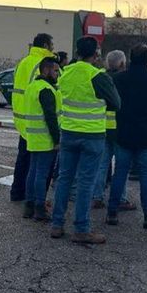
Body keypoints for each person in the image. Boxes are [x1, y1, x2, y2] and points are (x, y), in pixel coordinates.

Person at [50, 37, 120, 243]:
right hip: (92, 135)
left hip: (69, 132)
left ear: (77, 51)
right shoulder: (98, 76)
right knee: (86, 182)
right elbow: (116, 103)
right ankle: (81, 228)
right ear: (96, 54)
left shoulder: (65, 73)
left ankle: (57, 224)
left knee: (64, 179)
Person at [107, 44, 147, 228]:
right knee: (146, 175)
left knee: (120, 174)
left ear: (129, 58)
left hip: (124, 132)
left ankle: (112, 213)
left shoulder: (118, 79)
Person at [9, 34, 56, 205]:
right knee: (40, 165)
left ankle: (17, 192)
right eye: (51, 44)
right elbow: (45, 89)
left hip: (23, 117)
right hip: (38, 118)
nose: (53, 48)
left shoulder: (23, 62)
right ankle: (38, 200)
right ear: (45, 45)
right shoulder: (43, 63)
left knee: (23, 158)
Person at [23, 57, 61, 221]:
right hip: (45, 138)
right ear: (46, 70)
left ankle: (29, 206)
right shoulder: (46, 89)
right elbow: (50, 117)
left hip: (32, 137)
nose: (57, 74)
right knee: (42, 174)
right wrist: (57, 139)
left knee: (33, 172)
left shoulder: (32, 87)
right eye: (55, 70)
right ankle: (40, 208)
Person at [92, 50, 126, 208]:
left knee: (101, 165)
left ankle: (97, 196)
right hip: (120, 127)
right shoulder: (125, 79)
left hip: (102, 126)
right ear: (121, 63)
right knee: (121, 166)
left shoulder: (99, 76)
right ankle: (121, 198)